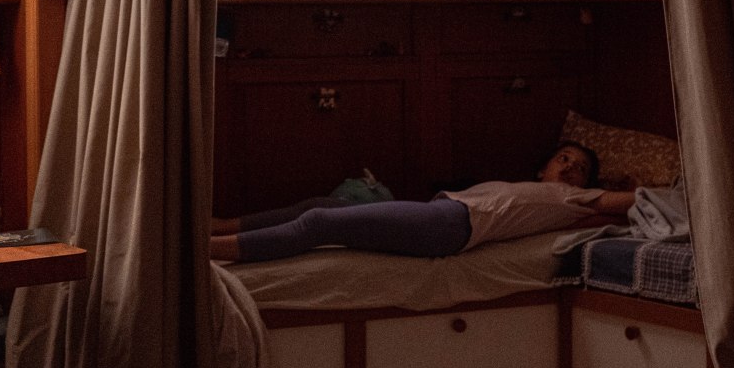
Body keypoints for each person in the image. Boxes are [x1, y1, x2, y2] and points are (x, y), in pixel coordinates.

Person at [209, 141, 636, 262]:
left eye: (581, 167)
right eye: (564, 158)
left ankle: (204, 251)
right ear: (543, 167)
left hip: (450, 227)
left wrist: (642, 189)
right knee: (320, 205)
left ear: (588, 183)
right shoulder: (532, 186)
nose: (570, 168)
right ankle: (218, 225)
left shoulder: (578, 197)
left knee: (320, 222)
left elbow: (632, 202)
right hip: (440, 214)